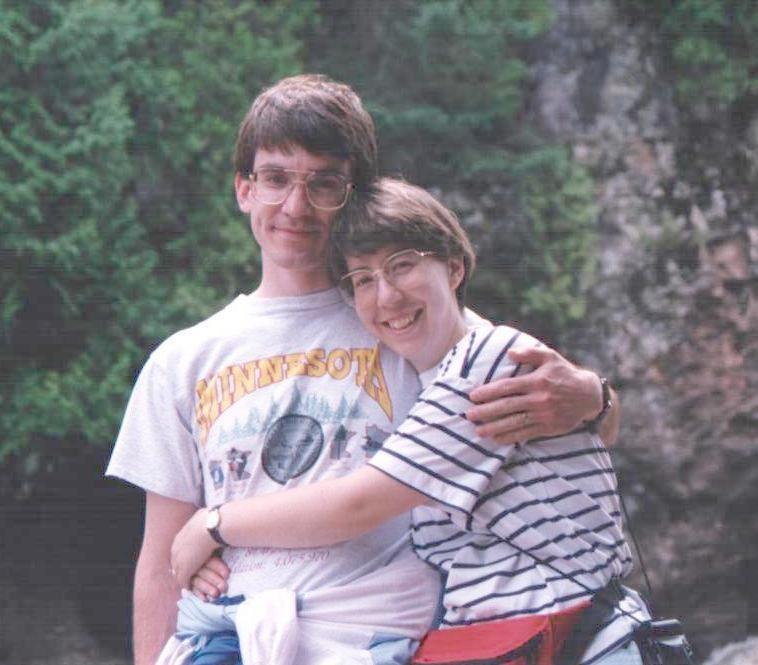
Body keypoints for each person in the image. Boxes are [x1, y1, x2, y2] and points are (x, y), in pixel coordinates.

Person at [106, 74, 619, 665]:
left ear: (352, 193)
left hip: (383, 642)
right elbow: (159, 562)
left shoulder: (399, 319)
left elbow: (555, 414)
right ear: (244, 188)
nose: (295, 206)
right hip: (223, 638)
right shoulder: (182, 360)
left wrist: (595, 397)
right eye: (275, 179)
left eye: (323, 184)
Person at [170, 178, 648, 665]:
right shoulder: (419, 385)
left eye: (402, 266)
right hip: (497, 645)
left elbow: (359, 504)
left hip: (582, 641)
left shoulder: (487, 360)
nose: (387, 296)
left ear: (455, 268)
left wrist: (212, 524)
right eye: (363, 280)